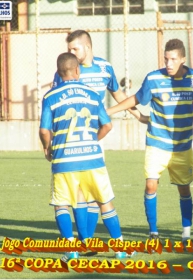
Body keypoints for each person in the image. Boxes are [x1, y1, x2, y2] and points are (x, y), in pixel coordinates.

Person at [52, 30, 147, 247]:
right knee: (79, 193)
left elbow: (120, 96)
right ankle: (86, 239)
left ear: (88, 47)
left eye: (75, 48)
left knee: (93, 192)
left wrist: (138, 115)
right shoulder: (65, 71)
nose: (71, 52)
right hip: (72, 140)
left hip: (96, 136)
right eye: (69, 50)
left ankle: (86, 239)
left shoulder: (105, 68)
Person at [40, 52, 135, 261]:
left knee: (62, 204)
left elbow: (45, 131)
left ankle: (71, 250)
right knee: (105, 202)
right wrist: (93, 139)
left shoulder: (50, 97)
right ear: (77, 70)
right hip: (92, 158)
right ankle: (120, 248)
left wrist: (47, 147)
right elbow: (107, 125)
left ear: (58, 72)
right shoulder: (92, 94)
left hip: (64, 159)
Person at [107, 39, 193, 248]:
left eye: (173, 59)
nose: (169, 63)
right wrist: (110, 111)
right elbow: (136, 99)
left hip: (182, 145)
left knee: (184, 189)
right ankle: (153, 232)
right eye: (166, 59)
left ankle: (186, 235)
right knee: (150, 185)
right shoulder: (154, 78)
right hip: (157, 142)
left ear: (183, 59)